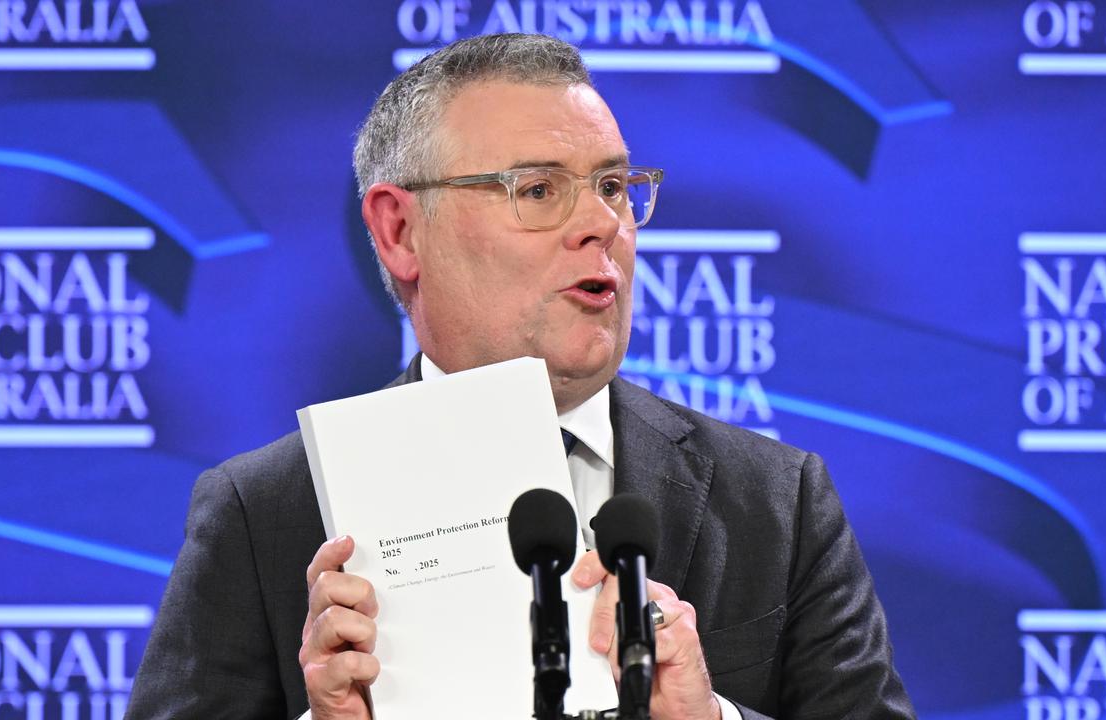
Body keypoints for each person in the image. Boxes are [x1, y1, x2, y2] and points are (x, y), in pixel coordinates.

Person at [126, 33, 914, 719]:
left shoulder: (778, 502)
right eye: (538, 190)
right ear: (399, 231)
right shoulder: (266, 511)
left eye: (613, 186)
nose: (602, 224)